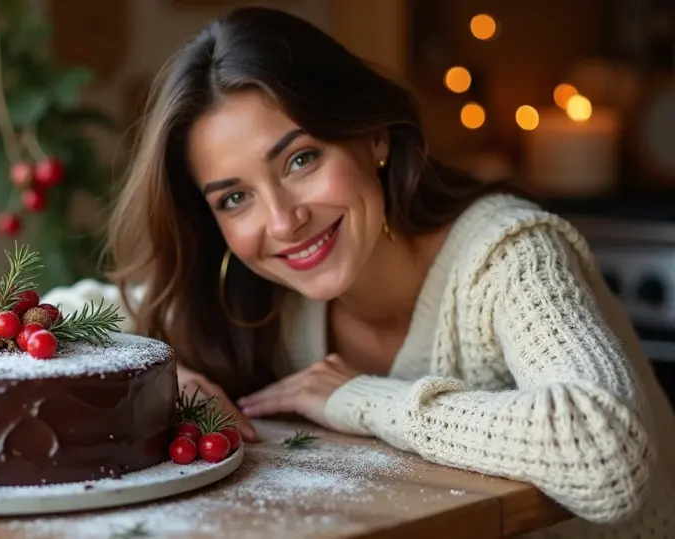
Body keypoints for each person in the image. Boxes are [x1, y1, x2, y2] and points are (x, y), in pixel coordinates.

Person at [41, 6, 675, 537]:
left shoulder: (507, 252)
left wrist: (359, 399)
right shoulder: (257, 292)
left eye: (301, 160)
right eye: (234, 198)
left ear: (373, 137)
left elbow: (606, 454)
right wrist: (164, 376)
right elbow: (58, 319)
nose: (284, 221)